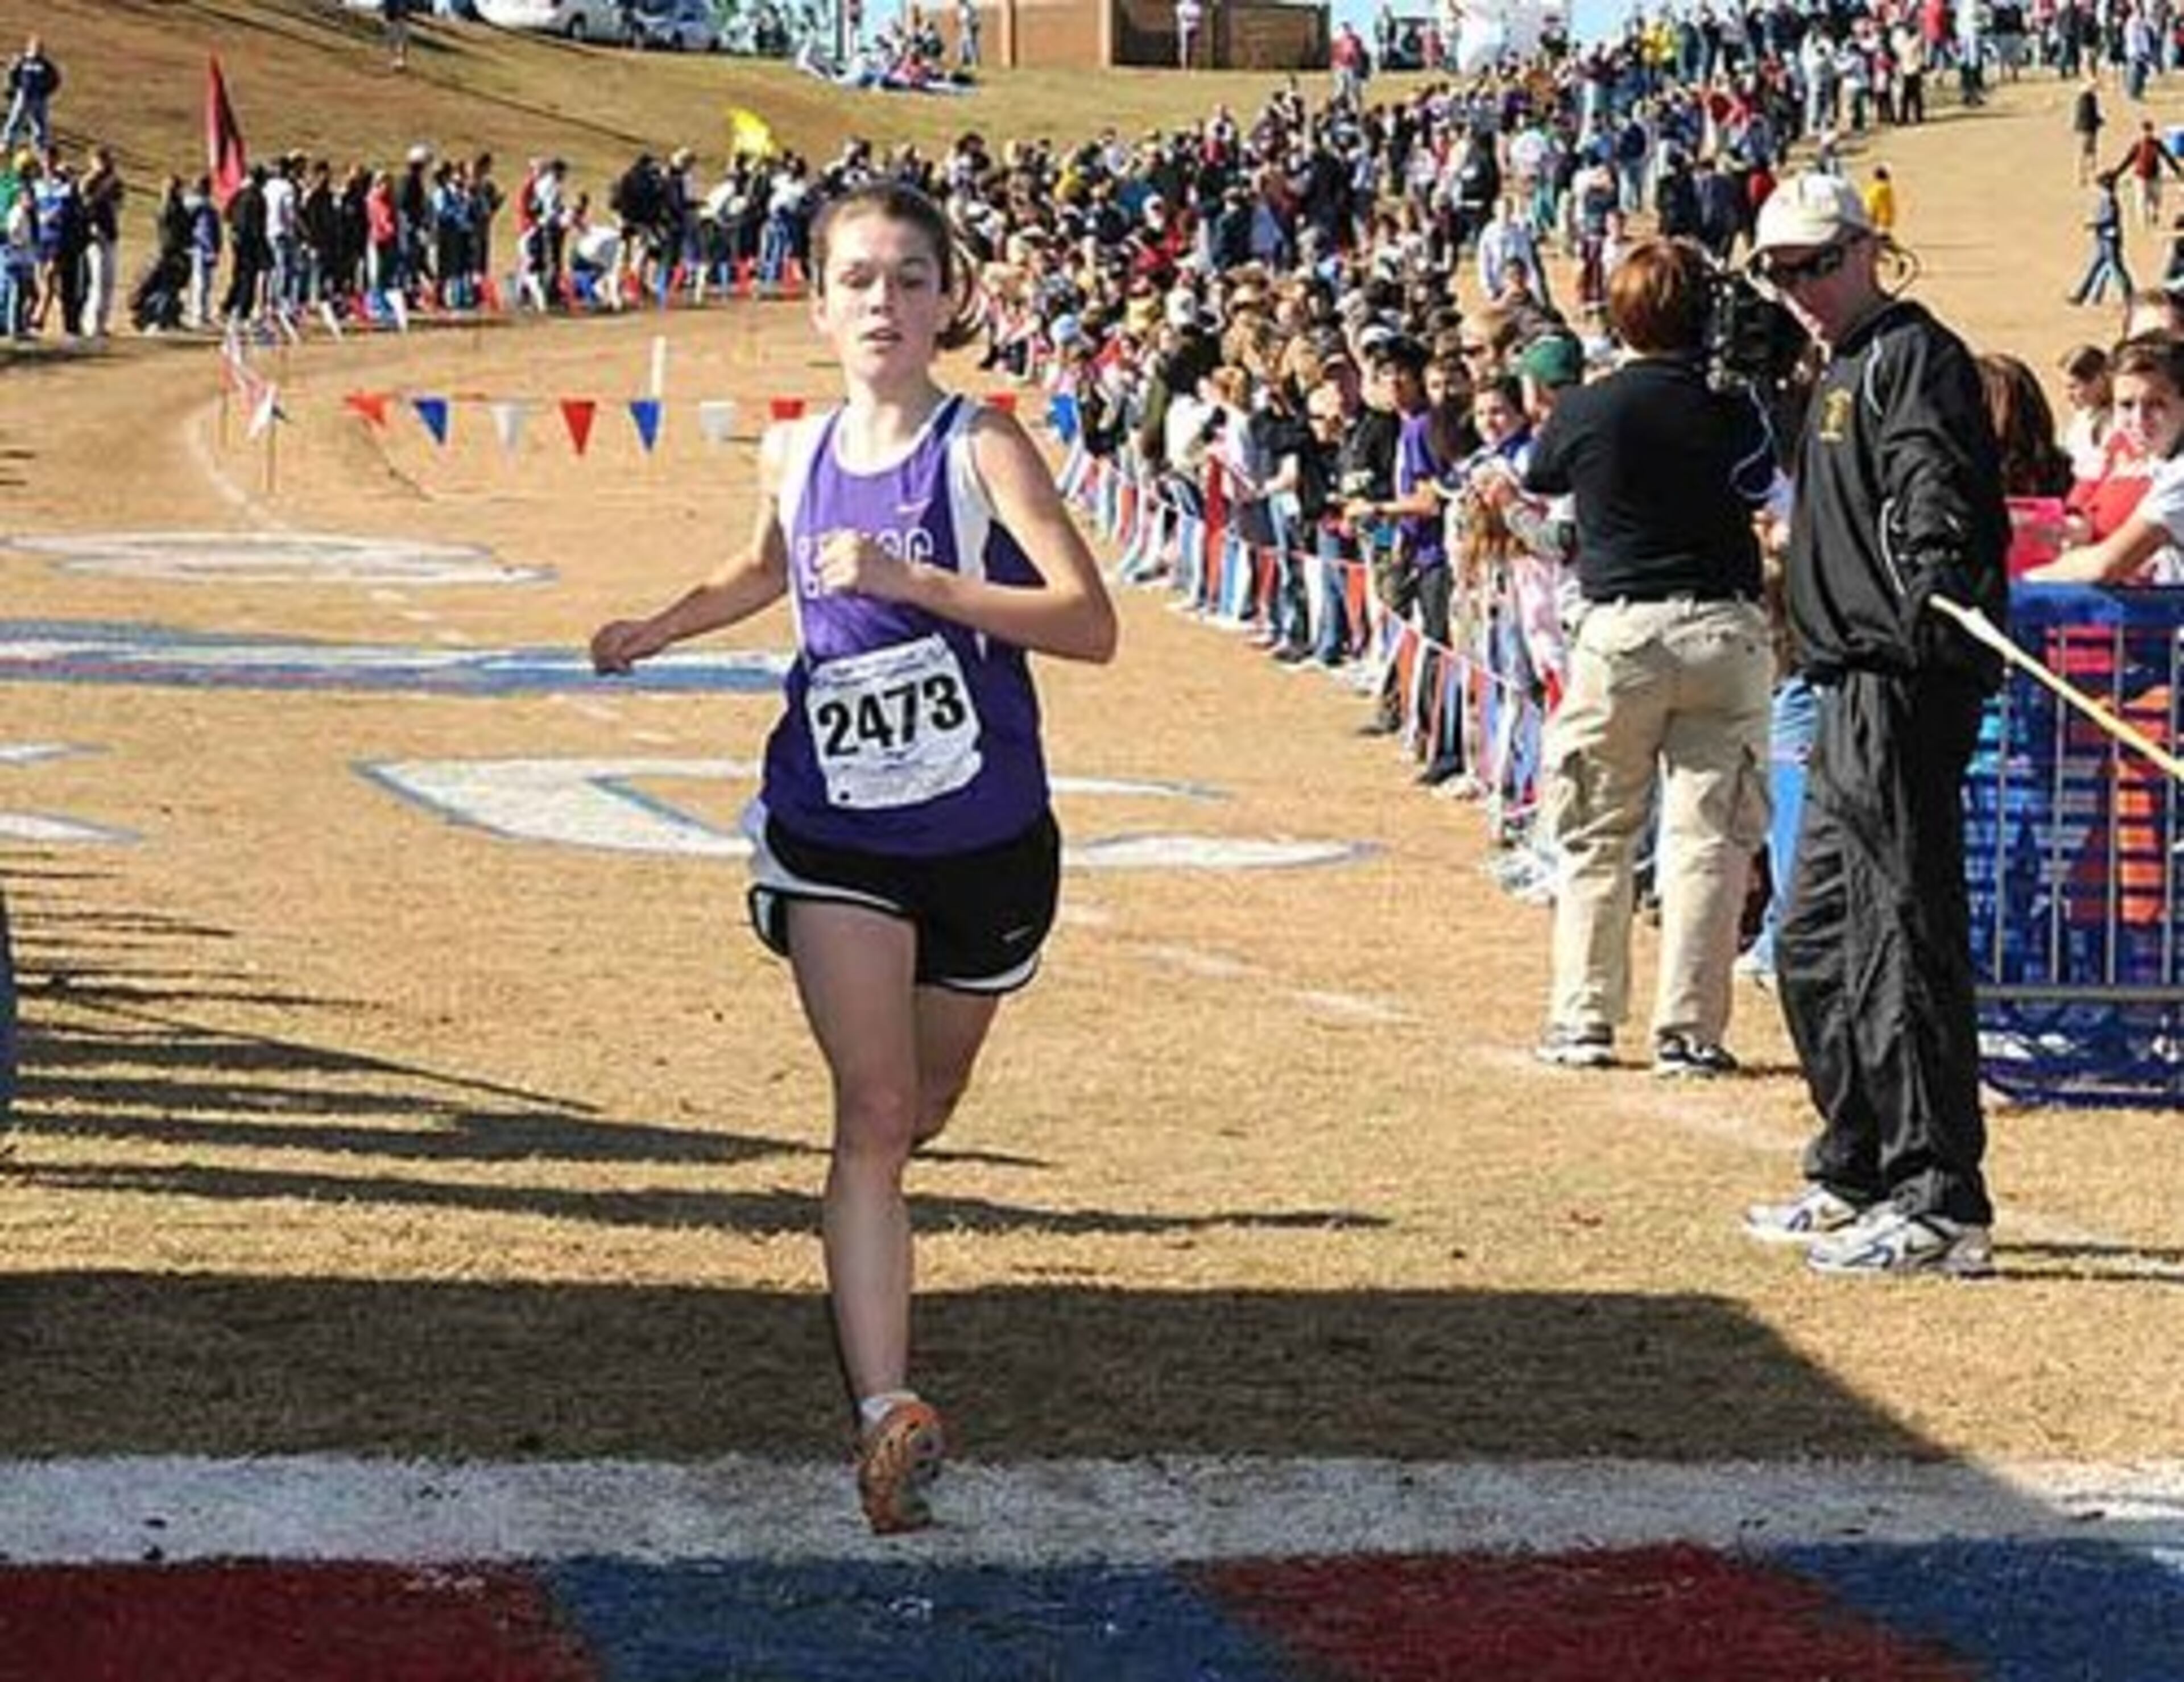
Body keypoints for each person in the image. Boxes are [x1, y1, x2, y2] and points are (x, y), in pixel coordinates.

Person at [588, 181, 1118, 1534]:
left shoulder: (982, 445)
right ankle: (887, 1414)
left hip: (986, 838)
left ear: (949, 299)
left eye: (908, 278)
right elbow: (765, 567)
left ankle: (871, 1241)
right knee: (873, 1116)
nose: (881, 303)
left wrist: (918, 580)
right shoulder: (792, 447)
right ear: (817, 302)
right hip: (832, 827)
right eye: (857, 279)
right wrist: (656, 623)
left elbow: (1086, 622)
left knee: (923, 1108)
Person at [1739, 173, 2009, 1277]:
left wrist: (1940, 559)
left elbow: (1932, 474)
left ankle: (1940, 1192)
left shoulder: (1913, 354)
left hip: (1900, 678)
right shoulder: (1834, 368)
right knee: (1812, 945)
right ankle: (1855, 1164)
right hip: (1840, 682)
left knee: (1903, 938)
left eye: (1813, 263)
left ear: (1865, 249)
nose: (1797, 287)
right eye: (1779, 270)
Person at [1504, 237, 1777, 1077]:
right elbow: (1762, 484)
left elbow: (1541, 472)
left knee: (1596, 829)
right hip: (1723, 628)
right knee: (1711, 838)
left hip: (1619, 629)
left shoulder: (1588, 407)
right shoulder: (1731, 405)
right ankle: (1690, 1031)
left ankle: (1585, 1017)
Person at [1, 36, 58, 157]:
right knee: (15, 119)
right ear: (29, 48)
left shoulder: (46, 65)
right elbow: (12, 74)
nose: (37, 51)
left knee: (39, 123)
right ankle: (7, 143)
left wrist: (45, 92)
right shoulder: (22, 61)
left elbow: (55, 80)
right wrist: (14, 88)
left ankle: (40, 146)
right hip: (23, 95)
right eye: (35, 48)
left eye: (40, 49)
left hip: (38, 97)